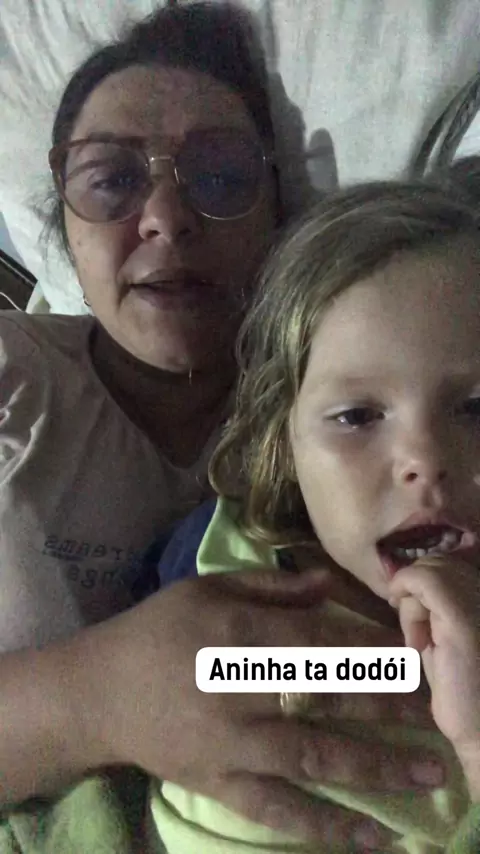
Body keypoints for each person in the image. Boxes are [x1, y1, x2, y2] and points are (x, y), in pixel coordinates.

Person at [0, 3, 443, 852]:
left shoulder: (345, 417)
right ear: (63, 224)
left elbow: (396, 661)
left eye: (221, 175)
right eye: (111, 180)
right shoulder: (12, 373)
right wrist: (97, 698)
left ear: (277, 216)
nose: (166, 218)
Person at [148, 180, 480, 853]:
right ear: (285, 444)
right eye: (357, 416)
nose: (424, 461)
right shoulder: (227, 581)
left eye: (477, 409)